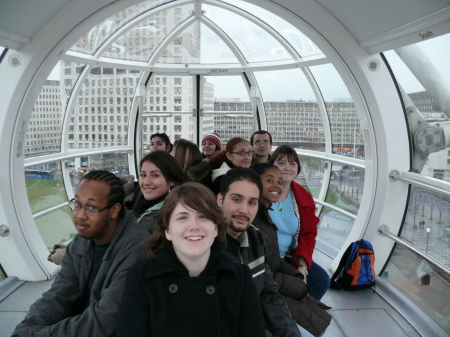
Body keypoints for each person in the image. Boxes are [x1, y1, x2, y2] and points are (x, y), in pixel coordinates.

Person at [116, 182, 265, 337]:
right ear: (167, 230)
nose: (194, 226)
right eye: (183, 217)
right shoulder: (141, 279)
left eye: (203, 217)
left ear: (215, 228)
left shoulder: (239, 278)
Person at [12, 171, 150, 337]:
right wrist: (27, 327)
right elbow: (59, 295)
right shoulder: (81, 242)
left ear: (114, 210)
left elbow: (105, 322)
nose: (80, 215)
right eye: (77, 204)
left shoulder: (138, 252)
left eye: (91, 208)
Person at [217, 167, 301, 337]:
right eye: (236, 199)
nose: (244, 210)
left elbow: (269, 294)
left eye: (252, 202)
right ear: (220, 199)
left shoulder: (255, 238)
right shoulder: (204, 247)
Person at [252, 163, 331, 337]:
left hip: (274, 279)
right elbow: (258, 274)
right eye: (270, 180)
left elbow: (273, 260)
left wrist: (297, 274)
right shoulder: (254, 223)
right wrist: (296, 285)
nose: (277, 186)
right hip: (264, 293)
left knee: (317, 315)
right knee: (314, 322)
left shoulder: (265, 218)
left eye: (280, 182)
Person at [269, 145, 330, 301]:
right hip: (263, 258)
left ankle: (296, 316)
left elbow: (308, 234)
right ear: (272, 165)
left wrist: (302, 266)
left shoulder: (303, 197)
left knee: (320, 281)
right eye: (281, 163)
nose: (287, 167)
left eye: (292, 163)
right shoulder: (260, 191)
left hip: (287, 256)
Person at [133, 151, 187, 234]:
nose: (146, 182)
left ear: (171, 180)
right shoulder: (142, 204)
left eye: (155, 175)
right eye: (143, 175)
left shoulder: (157, 218)